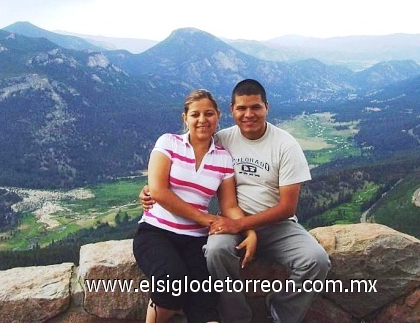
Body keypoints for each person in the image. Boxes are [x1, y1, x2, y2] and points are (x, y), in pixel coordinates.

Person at [142, 80, 330, 323]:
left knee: (316, 260)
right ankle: (236, 318)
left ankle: (281, 314)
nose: (248, 114)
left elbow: (287, 207)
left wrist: (243, 226)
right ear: (231, 110)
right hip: (232, 221)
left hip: (277, 224)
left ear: (266, 108)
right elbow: (188, 159)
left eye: (256, 107)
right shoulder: (221, 139)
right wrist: (150, 189)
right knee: (216, 251)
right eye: (242, 108)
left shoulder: (286, 145)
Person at [133, 89, 257, 323]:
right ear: (185, 118)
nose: (202, 120)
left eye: (209, 113)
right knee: (170, 279)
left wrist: (249, 231)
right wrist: (205, 219)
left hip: (196, 240)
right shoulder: (168, 143)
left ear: (218, 115)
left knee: (205, 302)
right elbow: (158, 191)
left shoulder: (223, 158)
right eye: (195, 114)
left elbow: (229, 206)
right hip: (155, 233)